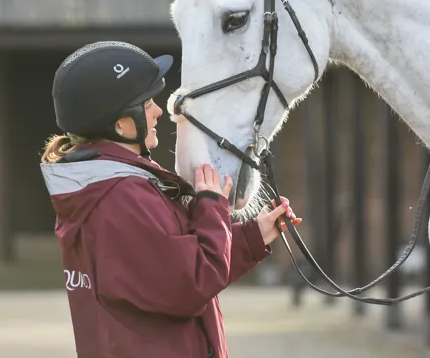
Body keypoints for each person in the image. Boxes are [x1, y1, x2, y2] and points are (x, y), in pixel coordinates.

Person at [40, 40, 301, 358]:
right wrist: (211, 205)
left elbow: (168, 268)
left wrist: (251, 237)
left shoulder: (106, 186)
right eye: (147, 103)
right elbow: (191, 283)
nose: (158, 111)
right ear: (120, 125)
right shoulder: (121, 197)